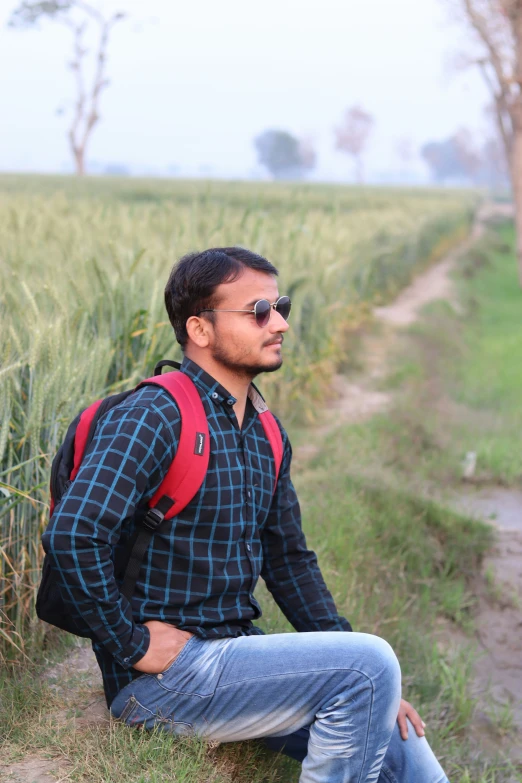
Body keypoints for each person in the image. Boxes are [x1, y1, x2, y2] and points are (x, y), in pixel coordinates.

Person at [43, 247, 449, 783]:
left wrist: (380, 689)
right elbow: (73, 533)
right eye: (258, 311)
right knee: (369, 664)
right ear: (201, 329)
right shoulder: (154, 415)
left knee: (405, 743)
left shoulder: (265, 431)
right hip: (160, 683)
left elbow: (289, 560)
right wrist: (131, 643)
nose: (278, 322)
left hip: (232, 658)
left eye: (280, 306)